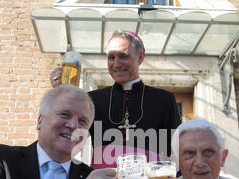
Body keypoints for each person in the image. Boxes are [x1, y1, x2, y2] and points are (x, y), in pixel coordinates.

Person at [51, 30, 181, 169]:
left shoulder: (163, 99)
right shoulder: (92, 100)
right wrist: (60, 96)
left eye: (123, 56)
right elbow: (68, 137)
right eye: (111, 57)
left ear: (140, 57)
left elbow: (176, 150)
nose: (116, 64)